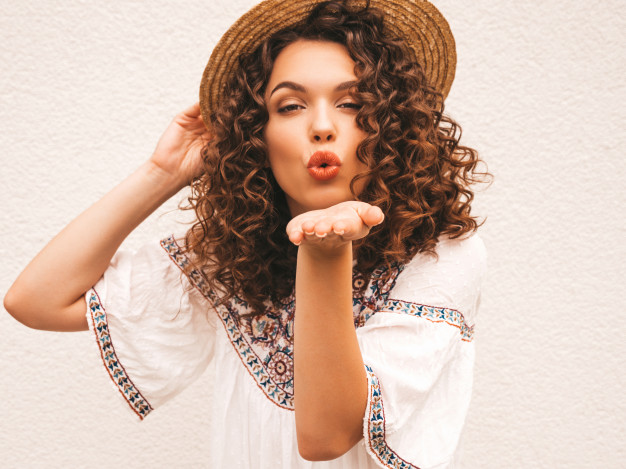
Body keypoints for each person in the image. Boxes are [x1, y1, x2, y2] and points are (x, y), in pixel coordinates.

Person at [4, 0, 489, 467]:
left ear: (393, 125)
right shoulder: (231, 260)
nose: (321, 126)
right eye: (291, 106)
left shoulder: (442, 256)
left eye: (351, 102)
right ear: (258, 134)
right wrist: (163, 171)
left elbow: (325, 436)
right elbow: (36, 301)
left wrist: (325, 253)